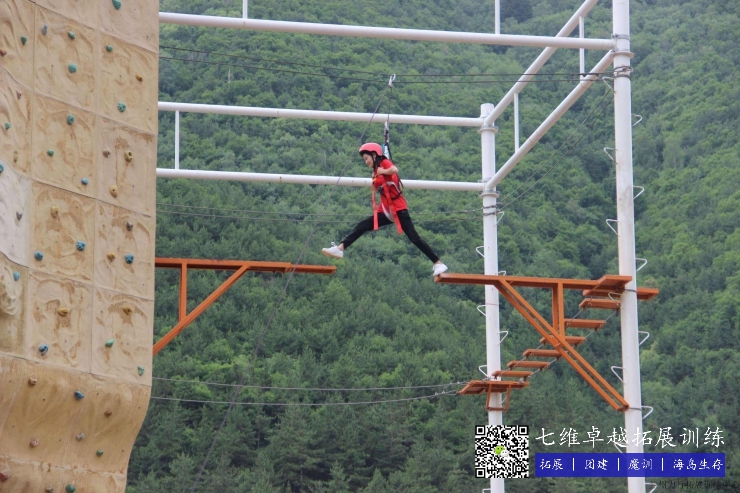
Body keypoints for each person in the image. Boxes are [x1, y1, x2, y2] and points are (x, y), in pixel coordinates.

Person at [322, 143, 448, 277]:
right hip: (386, 210)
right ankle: (340, 248)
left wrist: (383, 171)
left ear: (374, 155)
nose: (366, 162)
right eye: (364, 160)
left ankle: (438, 263)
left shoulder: (384, 162)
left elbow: (394, 170)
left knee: (414, 238)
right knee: (363, 225)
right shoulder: (376, 172)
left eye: (366, 158)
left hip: (398, 208)